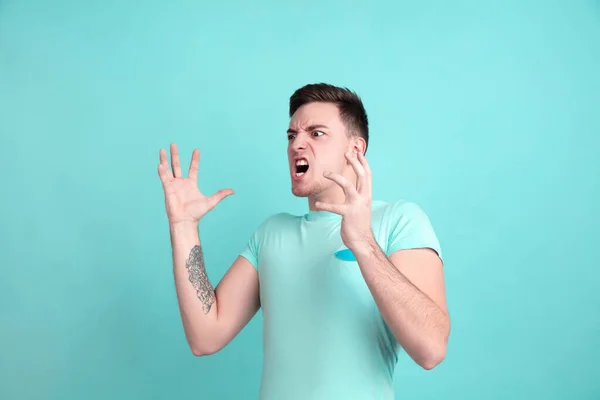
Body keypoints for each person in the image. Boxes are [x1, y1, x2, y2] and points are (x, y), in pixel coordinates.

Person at [157, 83, 450, 399]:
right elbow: (205, 336)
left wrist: (363, 242)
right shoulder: (271, 234)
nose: (298, 144)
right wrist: (184, 226)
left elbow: (430, 349)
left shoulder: (399, 220)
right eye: (292, 135)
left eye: (316, 133)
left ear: (355, 149)